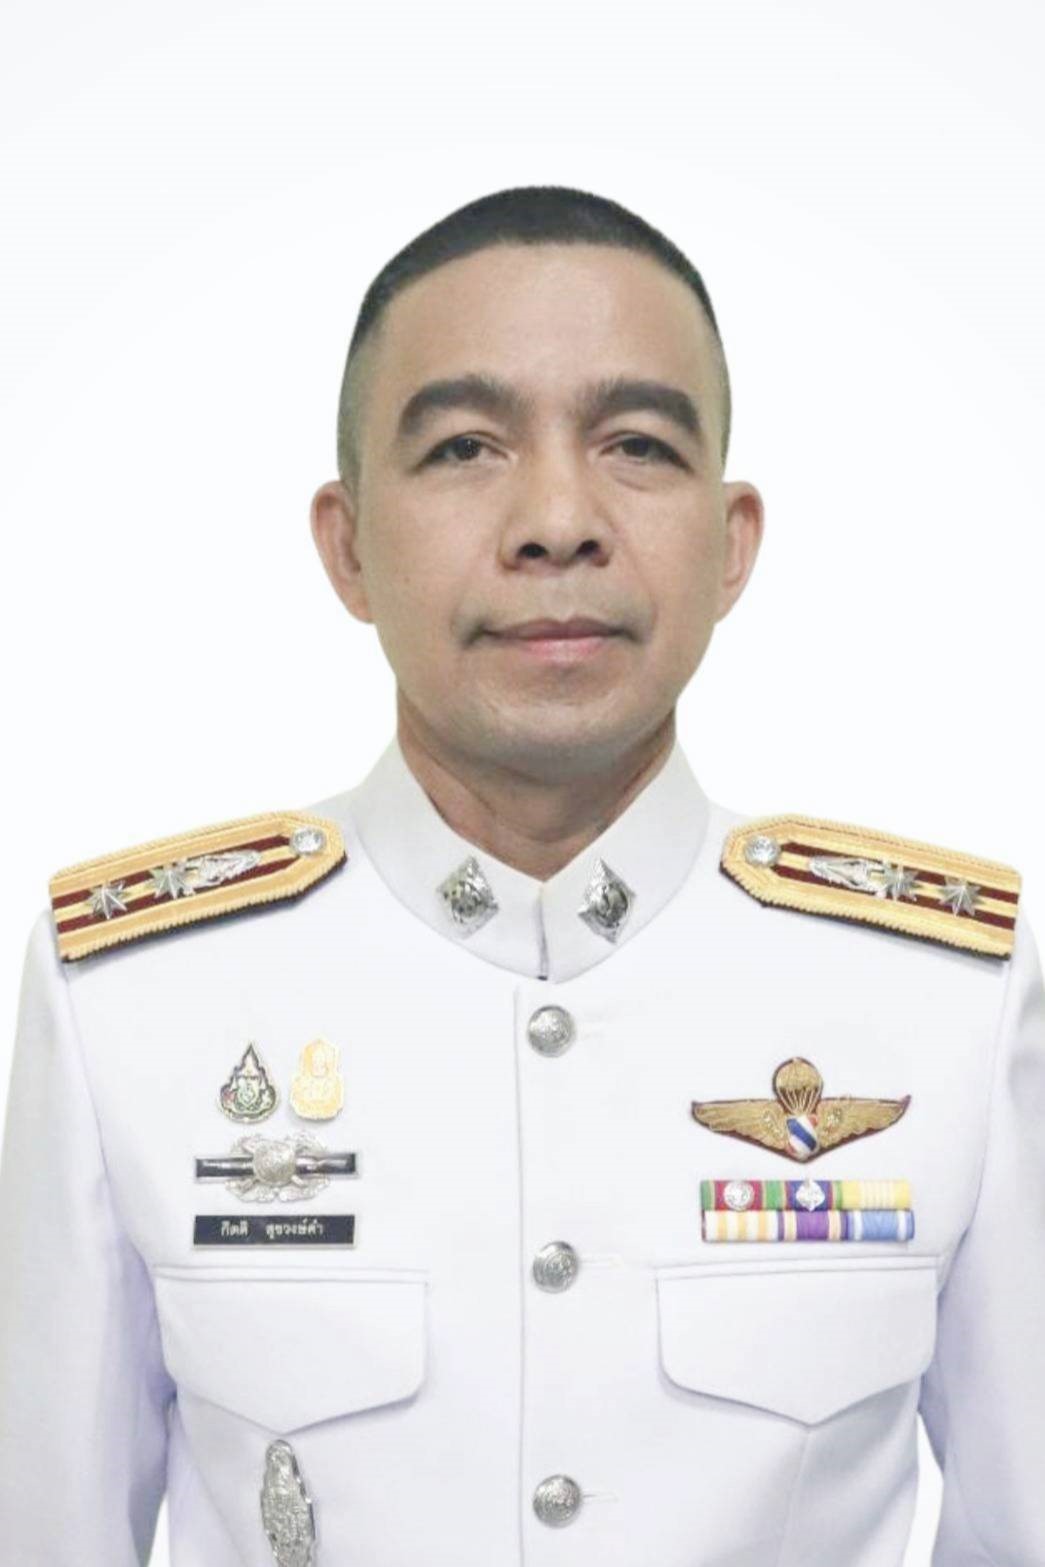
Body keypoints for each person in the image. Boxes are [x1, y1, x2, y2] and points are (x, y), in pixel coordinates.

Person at [1, 183, 1042, 1567]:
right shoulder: (135, 999)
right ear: (347, 546)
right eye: (463, 447)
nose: (556, 520)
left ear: (731, 543)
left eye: (637, 444)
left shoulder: (947, 999)